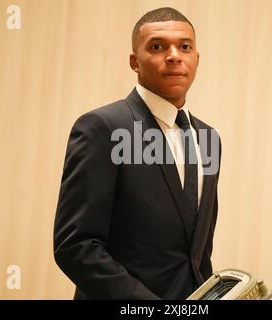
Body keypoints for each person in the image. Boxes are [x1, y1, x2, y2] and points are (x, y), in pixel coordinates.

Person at [54, 7, 221, 300]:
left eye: (185, 47)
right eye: (157, 46)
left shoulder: (209, 138)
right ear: (134, 61)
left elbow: (195, 254)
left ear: (197, 58)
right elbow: (76, 246)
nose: (173, 55)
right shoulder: (102, 127)